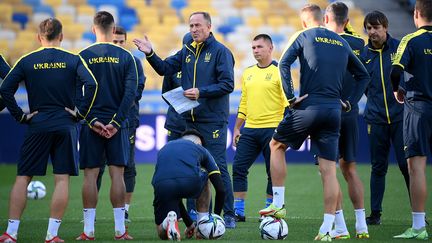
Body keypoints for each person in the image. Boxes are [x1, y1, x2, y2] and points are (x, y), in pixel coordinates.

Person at [258, 4, 369, 241]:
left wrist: (289, 98)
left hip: (308, 107)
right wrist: (349, 102)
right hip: (334, 112)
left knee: (276, 145)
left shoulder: (304, 35)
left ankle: (278, 204)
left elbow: (284, 64)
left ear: (305, 21)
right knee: (329, 170)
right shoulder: (342, 42)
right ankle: (329, 229)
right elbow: (364, 76)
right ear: (324, 19)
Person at [133, 11, 237, 228]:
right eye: (191, 26)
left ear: (209, 27)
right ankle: (198, 215)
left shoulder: (221, 52)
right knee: (191, 169)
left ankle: (227, 214)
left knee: (217, 167)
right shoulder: (186, 51)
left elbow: (228, 84)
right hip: (190, 122)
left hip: (212, 121)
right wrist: (150, 53)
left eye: (198, 25)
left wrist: (202, 92)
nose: (194, 29)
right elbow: (164, 69)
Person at [0, 18, 98, 243]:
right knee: (61, 179)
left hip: (38, 124)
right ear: (61, 37)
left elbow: (5, 89)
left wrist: (20, 116)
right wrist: (80, 113)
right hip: (66, 124)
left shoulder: (27, 61)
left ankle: (11, 233)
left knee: (23, 177)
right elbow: (92, 85)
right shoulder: (74, 60)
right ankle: (52, 235)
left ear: (38, 37)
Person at [76, 11, 137, 240]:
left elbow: (75, 94)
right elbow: (130, 94)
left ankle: (88, 230)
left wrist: (91, 120)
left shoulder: (81, 56)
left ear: (93, 30)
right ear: (113, 31)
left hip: (91, 123)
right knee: (117, 175)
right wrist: (116, 122)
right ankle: (120, 231)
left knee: (90, 176)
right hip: (116, 124)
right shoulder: (126, 56)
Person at [323, 2, 369, 239]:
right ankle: (362, 225)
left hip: (327, 111)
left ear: (325, 20)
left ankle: (340, 226)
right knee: (350, 169)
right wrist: (352, 101)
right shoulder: (359, 44)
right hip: (350, 111)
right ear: (348, 22)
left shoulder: (322, 43)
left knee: (328, 170)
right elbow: (365, 76)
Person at [231, 34, 288, 222]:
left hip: (273, 129)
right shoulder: (247, 73)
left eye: (260, 47)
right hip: (250, 129)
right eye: (253, 47)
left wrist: (285, 129)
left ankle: (269, 210)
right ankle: (238, 211)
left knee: (272, 172)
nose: (255, 50)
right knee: (239, 167)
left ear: (270, 48)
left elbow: (288, 103)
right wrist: (237, 127)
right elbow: (244, 103)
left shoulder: (281, 71)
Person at [361, 10, 410, 225]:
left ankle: (418, 214)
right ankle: (375, 215)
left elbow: (413, 75)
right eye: (369, 28)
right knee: (377, 167)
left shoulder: (400, 47)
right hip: (376, 119)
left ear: (386, 27)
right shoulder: (364, 54)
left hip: (401, 118)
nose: (372, 32)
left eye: (376, 27)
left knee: (406, 166)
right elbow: (363, 85)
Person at [95, 25, 146, 223]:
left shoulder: (133, 61)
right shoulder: (99, 61)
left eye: (121, 41)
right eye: (114, 41)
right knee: (96, 167)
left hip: (126, 121)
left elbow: (138, 90)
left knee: (128, 166)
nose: (118, 44)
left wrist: (122, 104)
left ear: (125, 41)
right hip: (100, 121)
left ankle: (124, 210)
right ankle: (91, 211)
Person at [391, 0, 431, 239]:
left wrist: (397, 89)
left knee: (416, 168)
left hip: (419, 108)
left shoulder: (411, 40)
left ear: (416, 14)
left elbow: (396, 71)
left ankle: (418, 227)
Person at [152, 129, 225, 240]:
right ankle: (203, 225)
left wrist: (189, 224)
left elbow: (176, 196)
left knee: (161, 233)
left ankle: (167, 222)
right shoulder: (201, 149)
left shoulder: (164, 148)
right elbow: (220, 189)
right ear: (198, 143)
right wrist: (215, 217)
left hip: (161, 185)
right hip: (190, 182)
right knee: (206, 177)